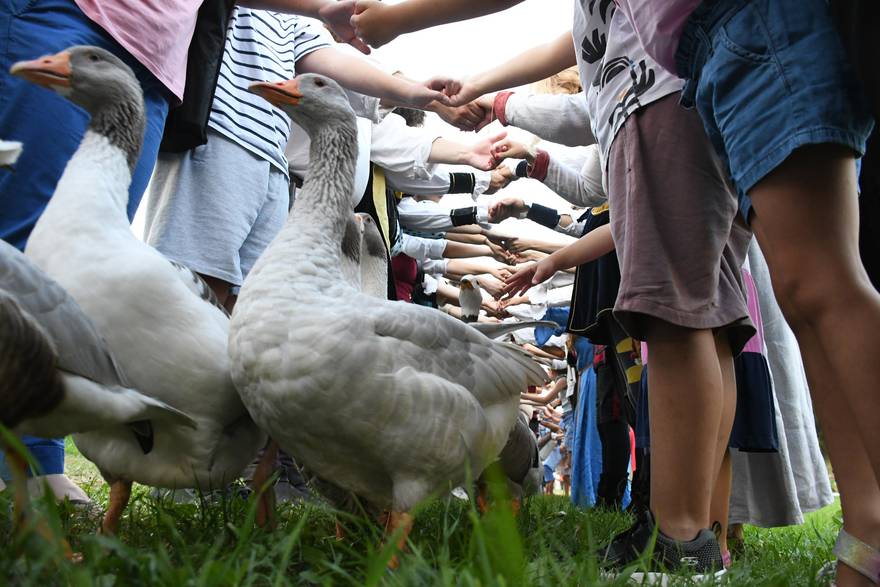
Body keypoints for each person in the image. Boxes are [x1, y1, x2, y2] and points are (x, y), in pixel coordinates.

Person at [617, 2, 880, 584]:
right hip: (721, 46)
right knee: (807, 294)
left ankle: (871, 524)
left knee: (822, 283)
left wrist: (389, 20)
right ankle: (867, 527)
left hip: (750, 24)